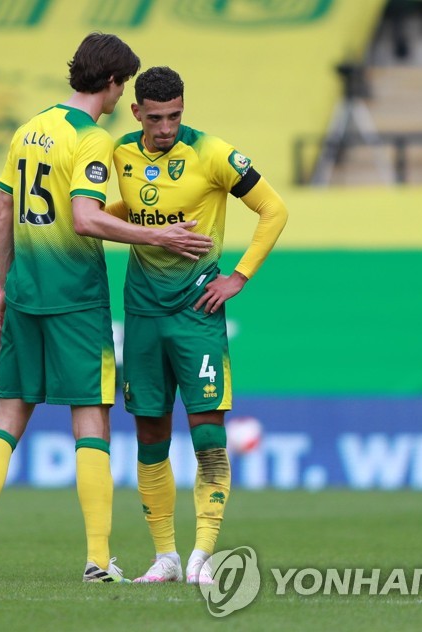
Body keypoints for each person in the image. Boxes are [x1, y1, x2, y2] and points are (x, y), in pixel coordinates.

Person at [0, 34, 214, 583]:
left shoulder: (28, 129)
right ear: (115, 83)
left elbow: (1, 217)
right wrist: (161, 236)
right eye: (124, 88)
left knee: (6, 417)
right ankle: (98, 559)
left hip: (24, 294)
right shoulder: (91, 138)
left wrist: (7, 283)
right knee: (90, 421)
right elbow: (86, 218)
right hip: (75, 298)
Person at [105, 66, 288, 584]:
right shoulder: (120, 154)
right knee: (149, 435)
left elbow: (273, 209)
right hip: (141, 313)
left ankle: (201, 557)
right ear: (137, 112)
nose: (166, 127)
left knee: (208, 437)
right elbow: (129, 213)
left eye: (176, 116)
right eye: (156, 117)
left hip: (198, 314)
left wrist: (239, 277)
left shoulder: (212, 154)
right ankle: (164, 557)